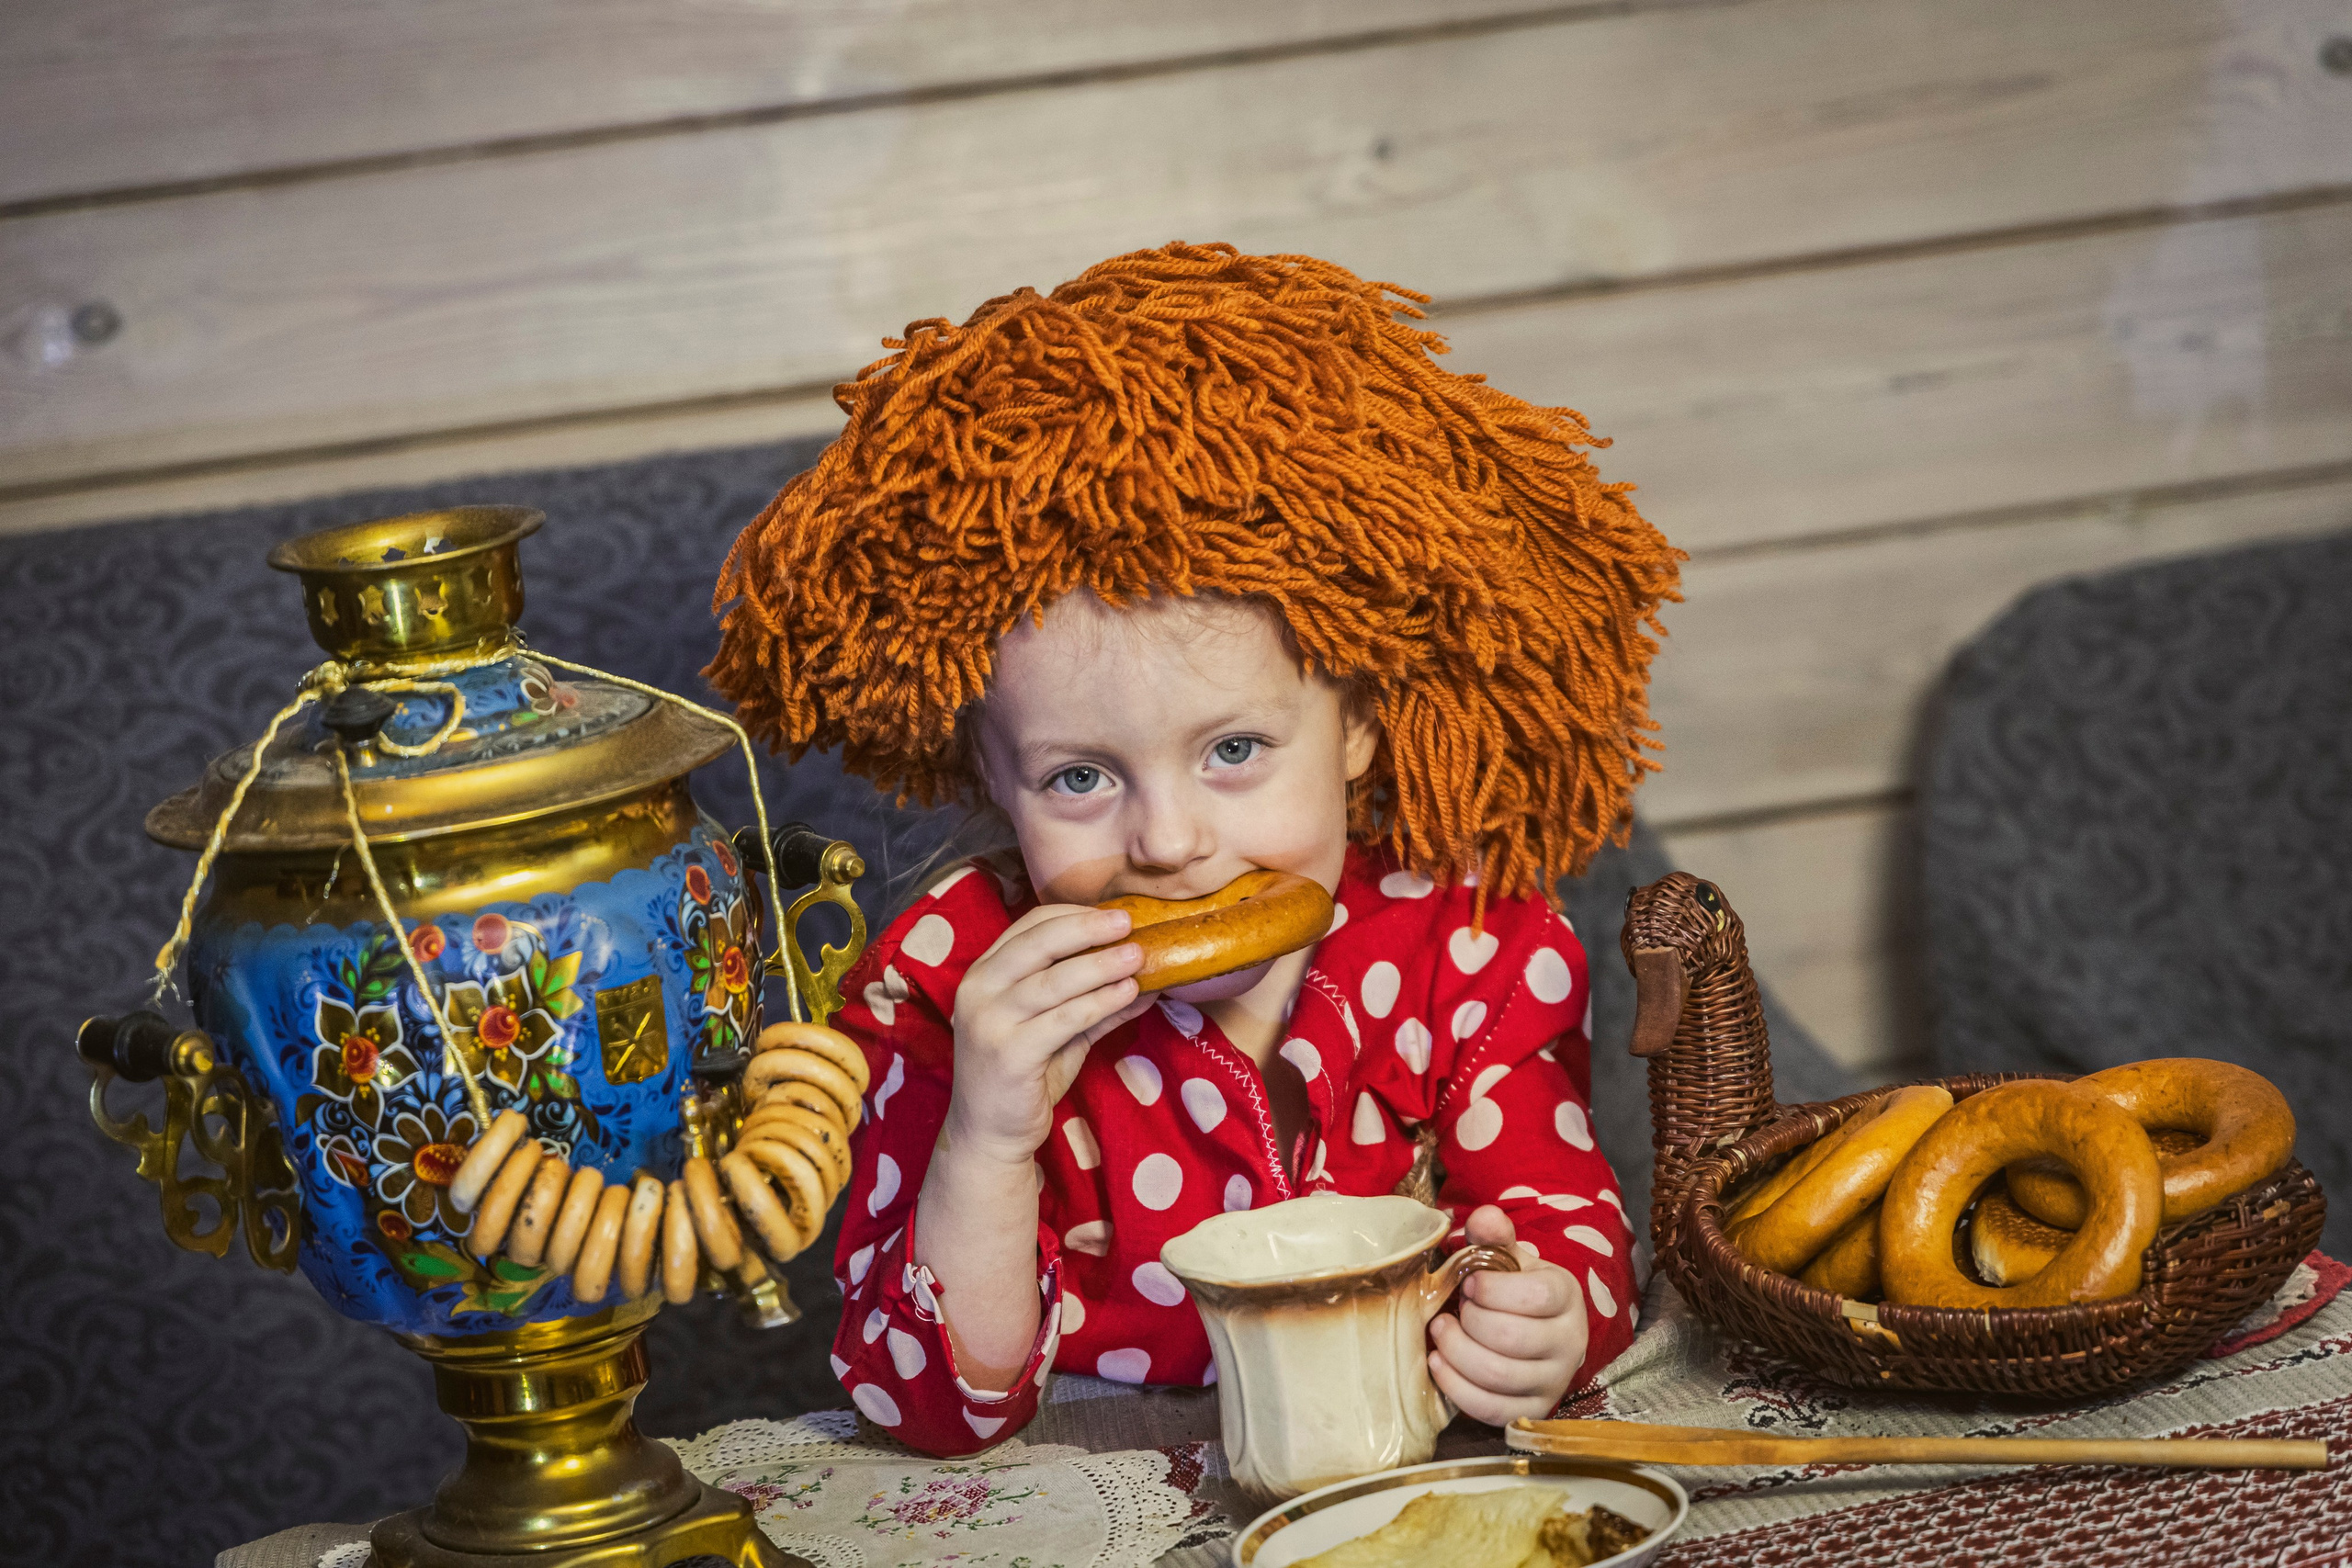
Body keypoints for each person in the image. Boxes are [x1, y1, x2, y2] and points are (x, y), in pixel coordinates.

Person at [708, 242, 1681, 1457]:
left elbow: (1569, 1228)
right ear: (992, 781)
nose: (1167, 842)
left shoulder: (1478, 941)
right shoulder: (948, 986)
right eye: (1078, 777)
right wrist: (990, 1137)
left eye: (1233, 752)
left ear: (1360, 725)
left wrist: (1549, 1322)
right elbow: (923, 1409)